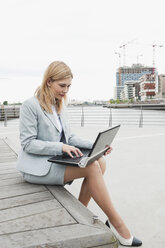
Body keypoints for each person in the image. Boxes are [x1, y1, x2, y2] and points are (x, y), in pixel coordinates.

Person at [16, 61, 142, 247]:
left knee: (99, 160)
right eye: (62, 85)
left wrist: (96, 146)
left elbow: (70, 137)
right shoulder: (30, 105)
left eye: (68, 86)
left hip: (53, 161)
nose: (65, 90)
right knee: (91, 168)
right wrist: (60, 147)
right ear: (49, 81)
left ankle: (79, 213)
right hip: (36, 166)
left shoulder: (59, 105)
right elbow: (28, 144)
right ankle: (118, 224)